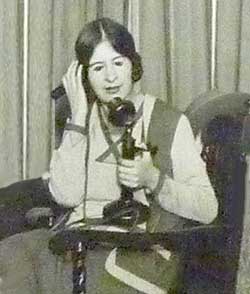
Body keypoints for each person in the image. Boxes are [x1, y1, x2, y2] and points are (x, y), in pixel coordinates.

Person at [0, 17, 218, 293]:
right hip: (81, 240)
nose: (111, 77)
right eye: (98, 68)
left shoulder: (167, 121)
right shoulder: (82, 120)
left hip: (137, 254)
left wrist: (153, 179)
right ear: (83, 77)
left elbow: (208, 208)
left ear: (133, 65)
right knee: (11, 254)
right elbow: (66, 195)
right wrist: (78, 118)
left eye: (118, 63)